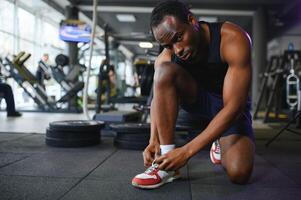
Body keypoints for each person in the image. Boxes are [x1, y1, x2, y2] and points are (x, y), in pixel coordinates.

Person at [132, 0, 254, 189]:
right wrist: (153, 140)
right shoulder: (167, 56)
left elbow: (234, 108)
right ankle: (167, 167)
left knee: (239, 173)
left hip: (228, 108)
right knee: (163, 71)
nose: (177, 50)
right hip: (195, 104)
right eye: (169, 45)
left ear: (192, 20)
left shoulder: (232, 38)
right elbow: (158, 99)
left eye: (179, 37)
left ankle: (218, 141)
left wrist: (187, 151)